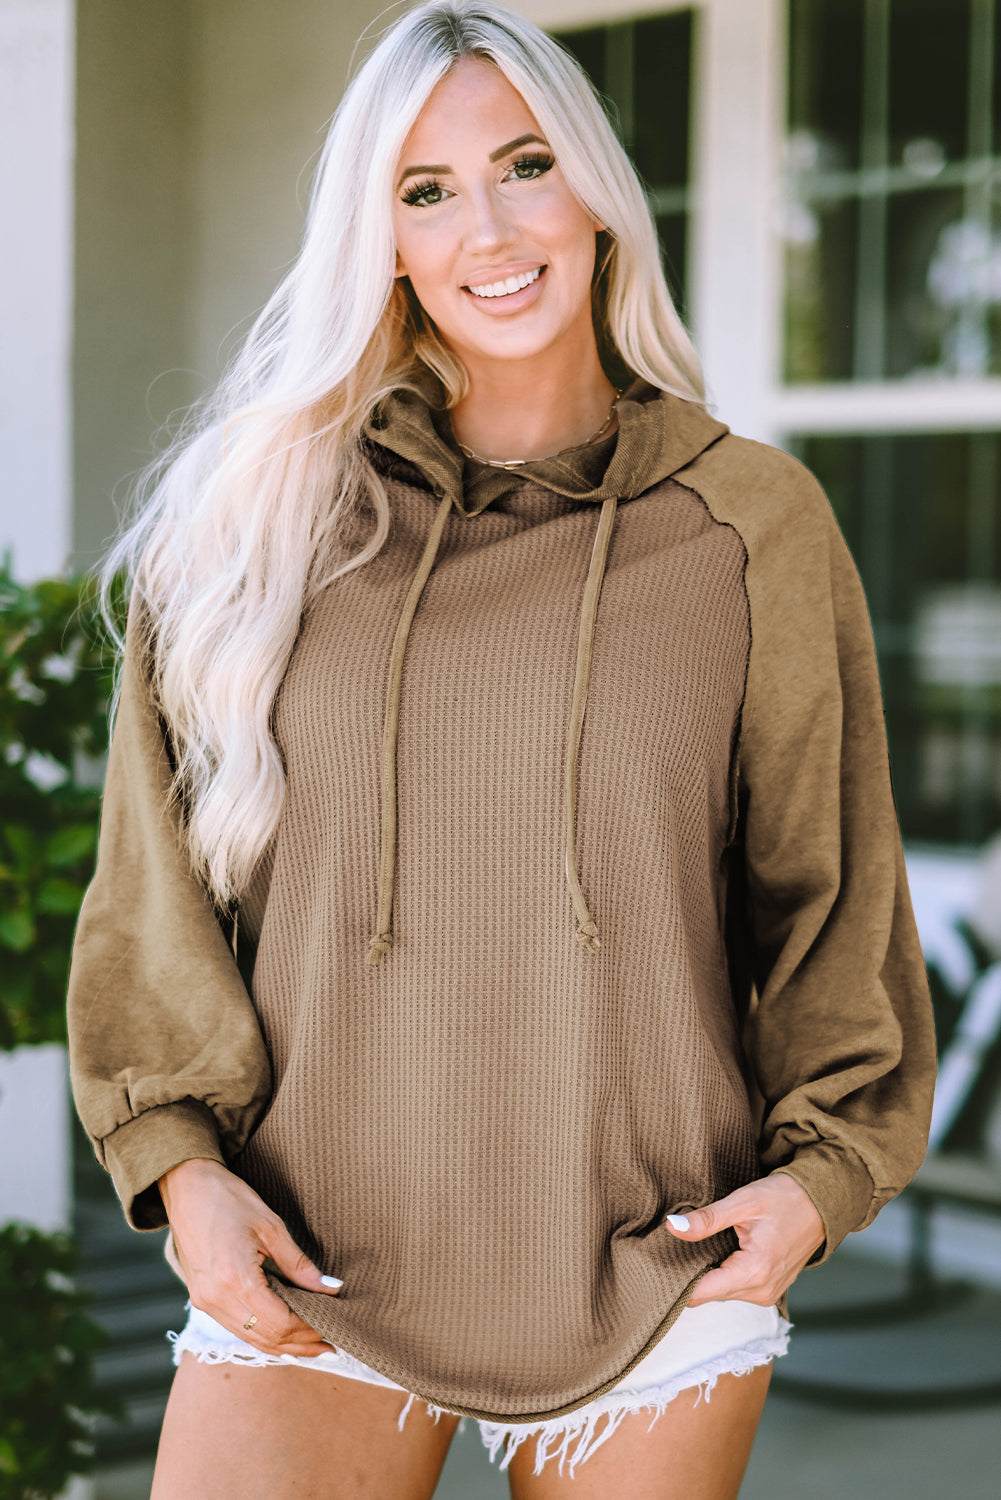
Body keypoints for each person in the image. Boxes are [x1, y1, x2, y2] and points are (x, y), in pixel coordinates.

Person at [66, 3, 938, 1496]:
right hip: (308, 1247)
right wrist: (183, 1168)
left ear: (596, 192)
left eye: (526, 164)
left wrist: (821, 1178)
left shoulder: (751, 523)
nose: (489, 227)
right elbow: (160, 890)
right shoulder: (261, 523)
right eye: (426, 190)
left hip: (657, 1252)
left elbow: (829, 890)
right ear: (382, 242)